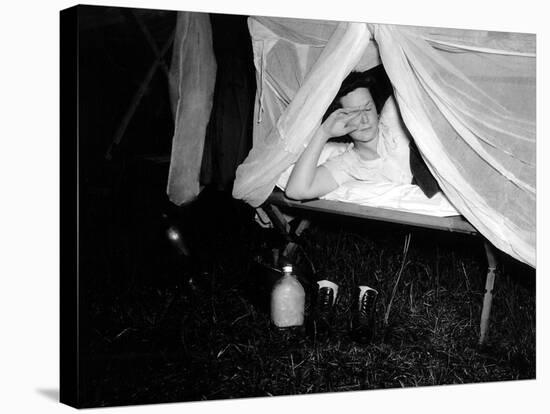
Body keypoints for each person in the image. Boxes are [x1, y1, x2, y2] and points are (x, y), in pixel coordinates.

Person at [285, 70, 414, 343]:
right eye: (353, 113)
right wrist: (323, 133)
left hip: (397, 228)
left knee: (374, 234)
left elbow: (411, 78)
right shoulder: (347, 162)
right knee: (340, 227)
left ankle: (364, 299)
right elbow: (296, 190)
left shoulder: (394, 126)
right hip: (372, 227)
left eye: (368, 108)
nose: (365, 118)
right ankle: (329, 298)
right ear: (339, 120)